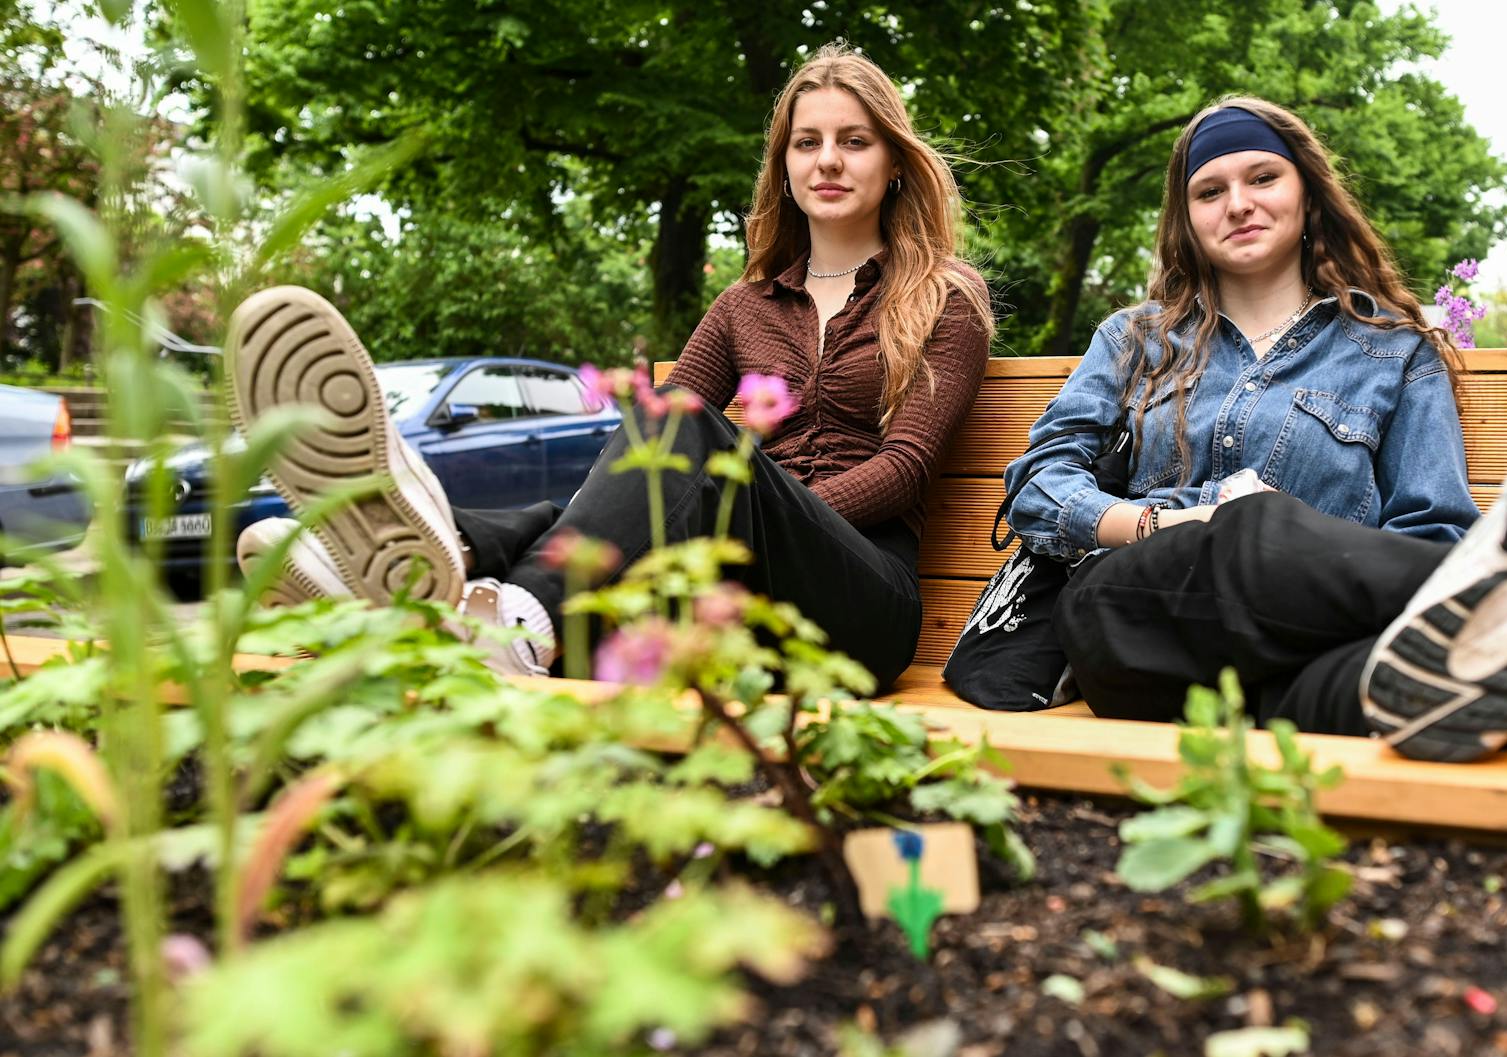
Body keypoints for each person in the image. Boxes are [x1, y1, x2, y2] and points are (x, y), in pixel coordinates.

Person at [993, 97, 1507, 761]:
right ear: (1187, 218)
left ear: (1305, 194)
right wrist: (1159, 521)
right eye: (1210, 191)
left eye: (1262, 178)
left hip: (1304, 661)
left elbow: (1430, 526)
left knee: (1385, 685)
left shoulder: (1395, 353)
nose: (1239, 203)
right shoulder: (1136, 338)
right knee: (1248, 528)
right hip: (1137, 627)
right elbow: (1038, 483)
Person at [229, 43, 993, 690]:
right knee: (660, 426)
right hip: (730, 600)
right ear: (783, 164)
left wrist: (748, 514)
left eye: (853, 141)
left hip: (861, 605)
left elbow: (906, 468)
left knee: (688, 431)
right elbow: (648, 447)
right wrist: (694, 523)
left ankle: (504, 601)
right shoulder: (744, 305)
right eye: (807, 142)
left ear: (894, 159)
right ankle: (427, 574)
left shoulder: (943, 297)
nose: (827, 159)